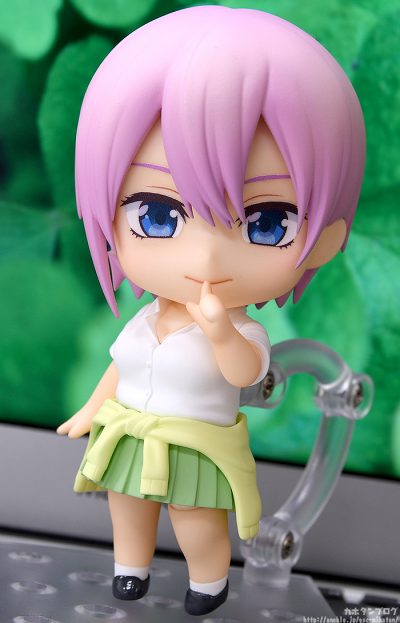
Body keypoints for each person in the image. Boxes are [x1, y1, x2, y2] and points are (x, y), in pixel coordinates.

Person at [57, 6, 365, 616]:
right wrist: (91, 410)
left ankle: (208, 580)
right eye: (156, 216)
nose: (204, 257)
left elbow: (246, 373)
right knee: (127, 505)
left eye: (266, 222)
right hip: (130, 432)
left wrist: (222, 332)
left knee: (195, 515)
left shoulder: (242, 326)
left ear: (325, 240)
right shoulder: (145, 322)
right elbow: (122, 365)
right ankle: (130, 569)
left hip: (198, 444)